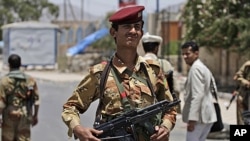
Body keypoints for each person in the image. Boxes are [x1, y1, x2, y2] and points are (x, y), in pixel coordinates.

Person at [61, 5, 177, 141]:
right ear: (113, 32)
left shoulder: (153, 71)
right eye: (127, 27)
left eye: (137, 27)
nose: (133, 31)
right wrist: (79, 129)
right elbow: (70, 107)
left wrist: (165, 128)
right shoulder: (100, 73)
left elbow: (170, 108)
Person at [181, 41, 217, 141]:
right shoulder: (203, 67)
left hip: (199, 118)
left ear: (196, 53)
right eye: (183, 54)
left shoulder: (196, 69)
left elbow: (197, 95)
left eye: (187, 53)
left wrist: (192, 119)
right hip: (207, 115)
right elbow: (213, 88)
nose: (185, 56)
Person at [0, 54, 40, 141]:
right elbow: (36, 100)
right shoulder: (30, 80)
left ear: (9, 65)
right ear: (20, 64)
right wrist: (35, 115)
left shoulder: (4, 81)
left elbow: (1, 103)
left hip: (8, 116)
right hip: (25, 116)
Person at [141, 32, 181, 113]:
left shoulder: (136, 64)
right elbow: (175, 89)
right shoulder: (165, 64)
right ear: (156, 48)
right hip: (161, 109)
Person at [233, 60, 250, 125]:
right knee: (242, 119)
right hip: (244, 95)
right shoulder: (247, 65)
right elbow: (237, 76)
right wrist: (246, 83)